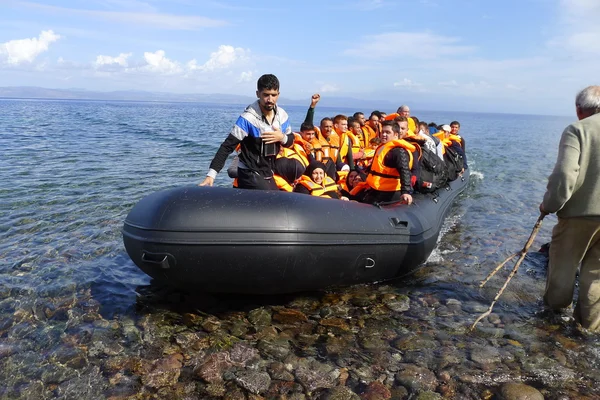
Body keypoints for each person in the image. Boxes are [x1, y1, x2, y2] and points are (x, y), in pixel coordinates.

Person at [540, 85, 600, 332]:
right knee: (596, 276)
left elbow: (566, 175)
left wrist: (549, 205)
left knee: (562, 270)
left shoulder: (577, 129)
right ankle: (589, 330)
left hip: (579, 215)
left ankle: (552, 323)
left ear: (579, 110)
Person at [200, 74, 293, 190]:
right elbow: (227, 146)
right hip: (249, 172)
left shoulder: (282, 116)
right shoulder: (248, 119)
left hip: (268, 172)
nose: (270, 99)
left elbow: (290, 141)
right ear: (258, 94)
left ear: (278, 94)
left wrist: (282, 138)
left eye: (273, 95)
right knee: (272, 200)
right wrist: (211, 175)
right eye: (266, 95)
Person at [362, 120, 416, 205]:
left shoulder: (398, 151)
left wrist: (405, 191)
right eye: (382, 132)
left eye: (387, 132)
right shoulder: (383, 147)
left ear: (395, 135)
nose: (383, 135)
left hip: (390, 194)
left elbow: (404, 171)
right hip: (377, 190)